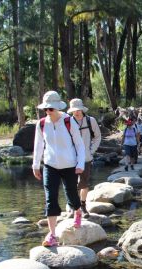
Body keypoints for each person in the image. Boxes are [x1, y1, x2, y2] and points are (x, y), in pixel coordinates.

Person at [32, 91, 86, 247]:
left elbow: (79, 145)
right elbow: (38, 145)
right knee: (51, 198)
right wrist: (36, 165)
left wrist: (80, 164)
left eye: (51, 109)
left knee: (71, 193)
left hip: (69, 165)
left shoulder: (69, 122)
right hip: (50, 165)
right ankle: (52, 235)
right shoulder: (42, 124)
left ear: (57, 108)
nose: (48, 112)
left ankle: (77, 211)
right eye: (46, 109)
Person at [67, 98, 101, 216]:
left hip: (86, 157)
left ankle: (83, 205)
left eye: (78, 110)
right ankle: (72, 205)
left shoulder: (91, 121)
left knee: (84, 183)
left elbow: (97, 137)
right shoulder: (68, 122)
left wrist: (92, 150)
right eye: (74, 110)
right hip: (71, 159)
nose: (76, 112)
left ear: (82, 109)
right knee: (71, 183)